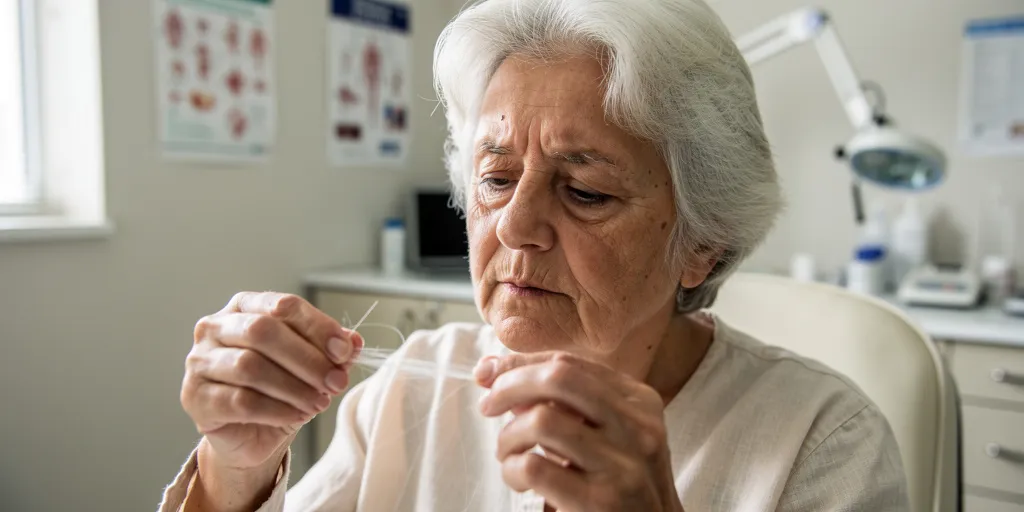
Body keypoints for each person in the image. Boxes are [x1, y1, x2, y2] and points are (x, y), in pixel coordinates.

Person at [160, 0, 908, 510]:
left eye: (584, 191)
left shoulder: (823, 445)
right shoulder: (413, 389)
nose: (515, 226)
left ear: (703, 247)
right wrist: (236, 471)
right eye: (495, 178)